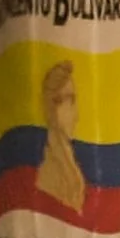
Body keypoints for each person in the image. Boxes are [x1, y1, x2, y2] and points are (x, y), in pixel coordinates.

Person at [34, 59, 89, 214]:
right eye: (70, 100)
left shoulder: (70, 163)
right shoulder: (49, 172)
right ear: (52, 106)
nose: (76, 115)